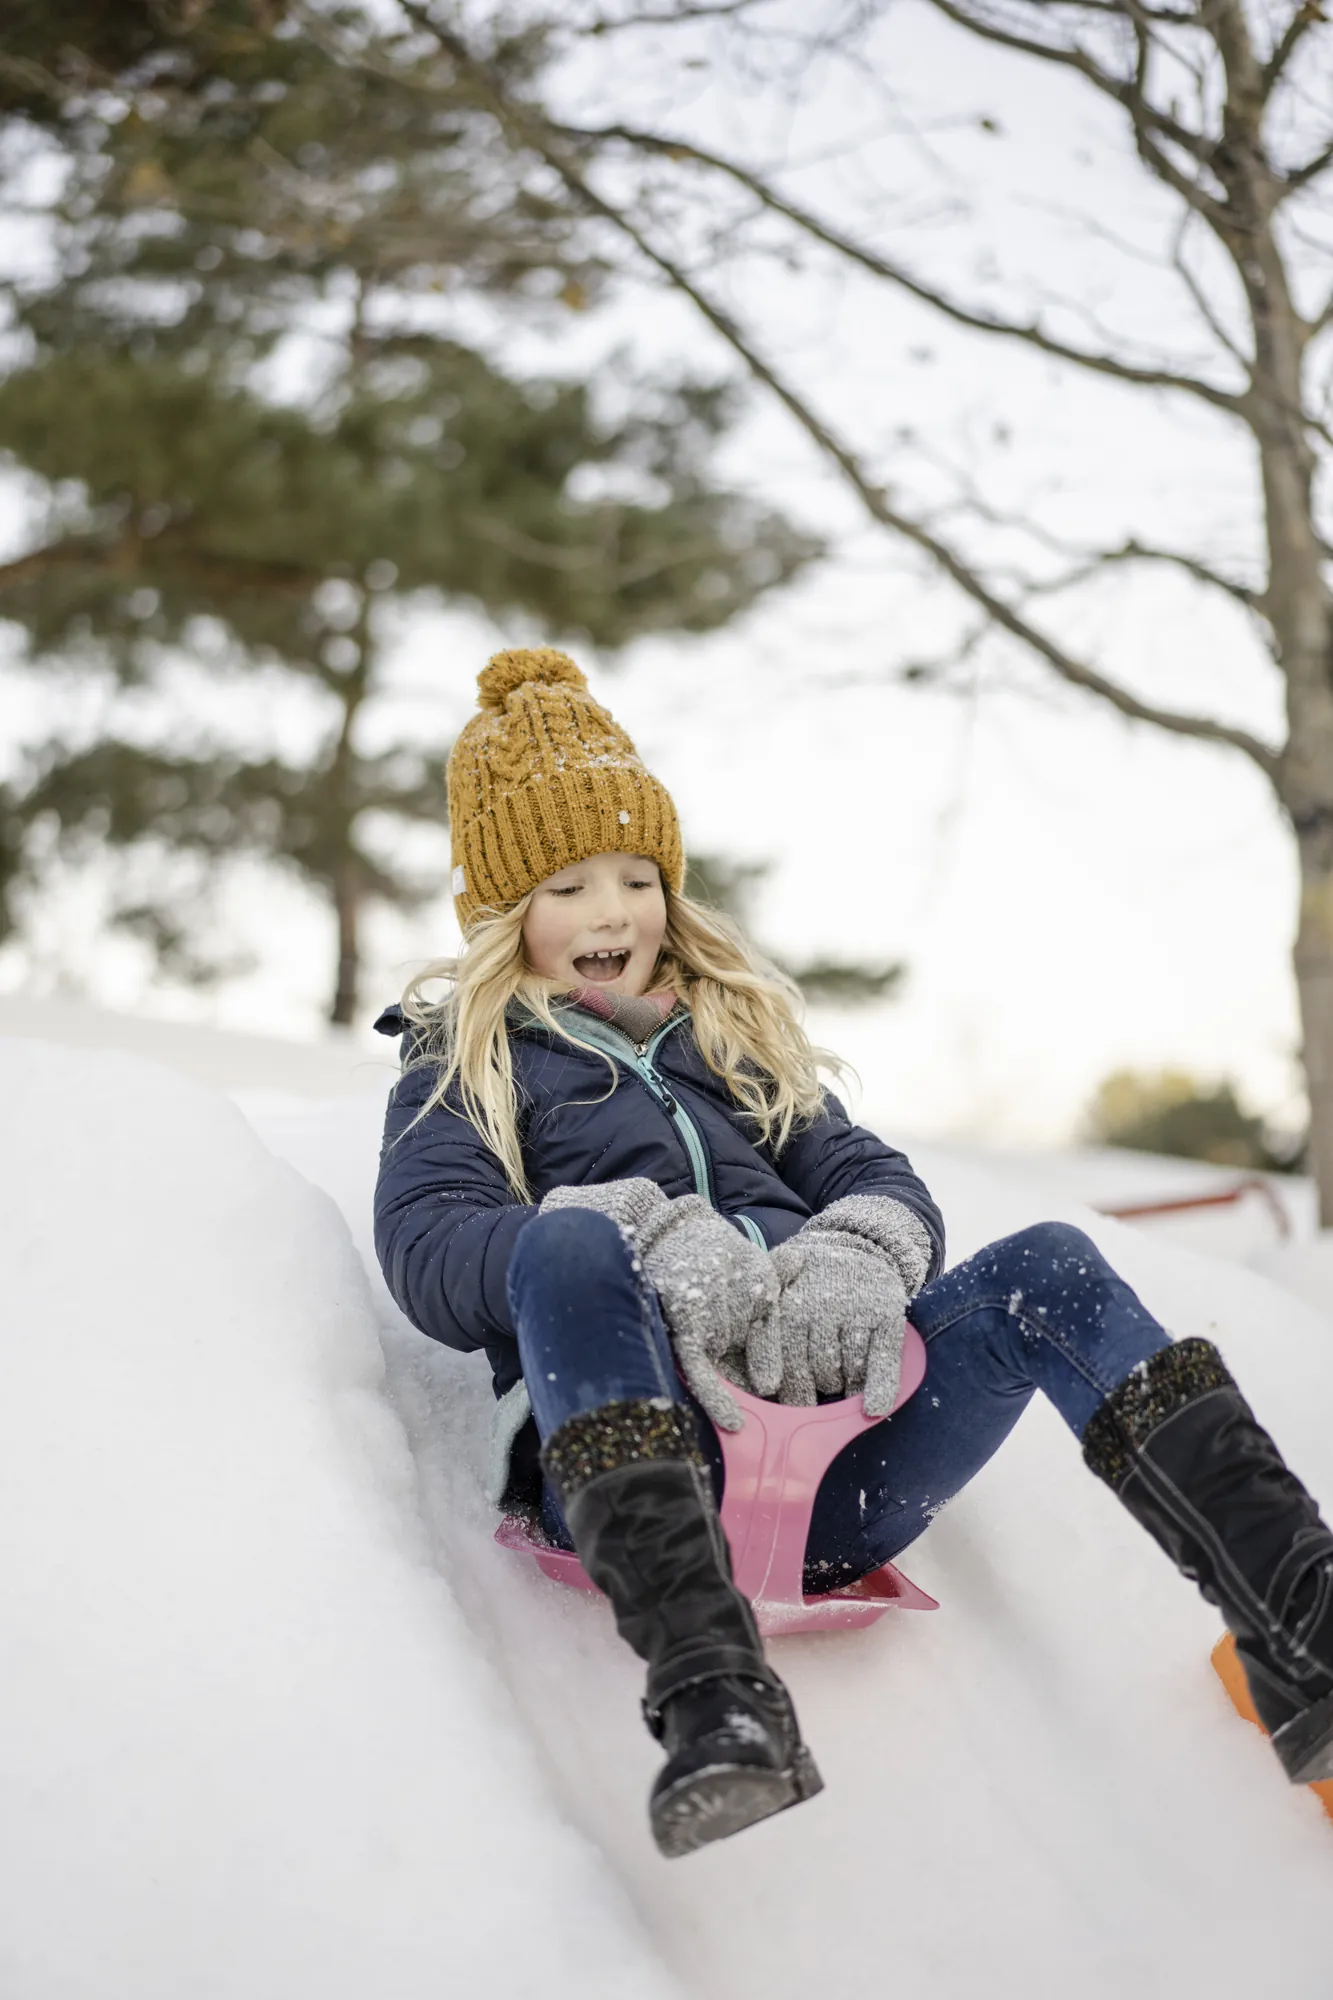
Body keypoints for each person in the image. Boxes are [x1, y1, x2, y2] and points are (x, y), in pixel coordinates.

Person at [373, 646, 1333, 1859]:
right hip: (635, 1465)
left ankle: (1304, 1622)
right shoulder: (467, 1068)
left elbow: (878, 1179)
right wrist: (640, 1229)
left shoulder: (733, 1048)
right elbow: (427, 1241)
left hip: (840, 1477)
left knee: (1052, 1263)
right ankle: (714, 1695)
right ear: (507, 913)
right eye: (569, 884)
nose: (613, 909)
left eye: (635, 874)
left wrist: (858, 1252)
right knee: (568, 1236)